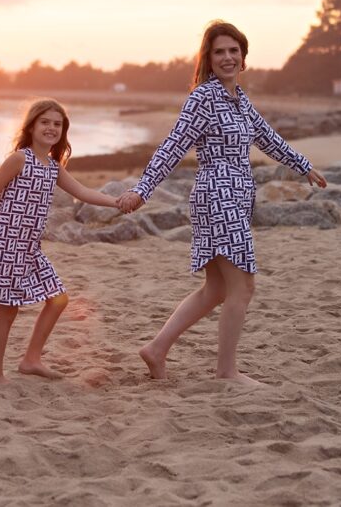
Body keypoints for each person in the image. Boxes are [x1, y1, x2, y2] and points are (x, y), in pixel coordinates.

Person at [117, 20, 327, 385]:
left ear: (243, 57)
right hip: (217, 196)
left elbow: (267, 138)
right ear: (208, 59)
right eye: (220, 52)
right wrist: (143, 189)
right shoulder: (204, 97)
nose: (228, 57)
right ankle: (227, 373)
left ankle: (156, 348)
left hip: (236, 197)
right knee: (243, 287)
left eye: (234, 51)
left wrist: (304, 166)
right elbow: (173, 145)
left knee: (216, 289)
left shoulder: (240, 100)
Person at [0, 99, 122, 384]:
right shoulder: (19, 159)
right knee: (7, 311)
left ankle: (31, 359)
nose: (51, 128)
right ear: (31, 126)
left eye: (57, 124)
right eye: (45, 122)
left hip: (31, 249)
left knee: (59, 299)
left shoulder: (53, 167)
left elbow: (83, 192)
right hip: (7, 246)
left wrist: (118, 202)